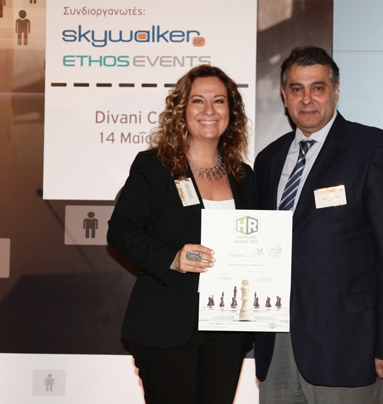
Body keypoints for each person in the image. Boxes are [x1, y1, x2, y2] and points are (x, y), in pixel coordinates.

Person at [253, 46, 383, 403]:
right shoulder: (268, 160)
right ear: (284, 95)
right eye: (296, 89)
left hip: (348, 343)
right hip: (276, 342)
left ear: (336, 90)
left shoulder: (374, 148)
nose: (307, 99)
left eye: (318, 87)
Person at [107, 64, 256, 404]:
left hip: (227, 327)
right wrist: (172, 258)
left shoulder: (244, 177)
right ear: (181, 110)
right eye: (198, 101)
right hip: (166, 325)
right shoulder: (154, 166)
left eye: (219, 101)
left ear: (231, 112)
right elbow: (121, 230)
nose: (209, 110)